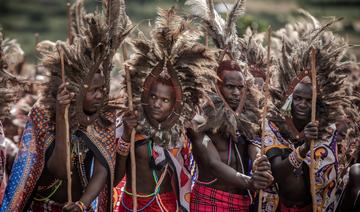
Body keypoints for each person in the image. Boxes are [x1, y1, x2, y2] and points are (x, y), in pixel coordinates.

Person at [1, 0, 131, 211]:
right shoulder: (44, 112)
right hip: (42, 204)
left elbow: (103, 171)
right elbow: (60, 170)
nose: (101, 96)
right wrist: (62, 117)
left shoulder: (104, 116)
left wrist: (81, 204)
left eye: (104, 89)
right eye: (93, 90)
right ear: (75, 89)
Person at [114, 7, 216, 211]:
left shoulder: (183, 128)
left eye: (164, 100)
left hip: (167, 206)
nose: (157, 103)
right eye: (152, 96)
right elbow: (115, 178)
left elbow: (209, 160)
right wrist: (126, 135)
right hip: (131, 205)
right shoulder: (129, 124)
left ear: (175, 103)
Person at [262, 11, 360, 212]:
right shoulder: (273, 126)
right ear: (289, 98)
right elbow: (277, 174)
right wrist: (304, 148)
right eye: (297, 98)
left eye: (308, 100)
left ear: (317, 104)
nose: (302, 104)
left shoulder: (328, 132)